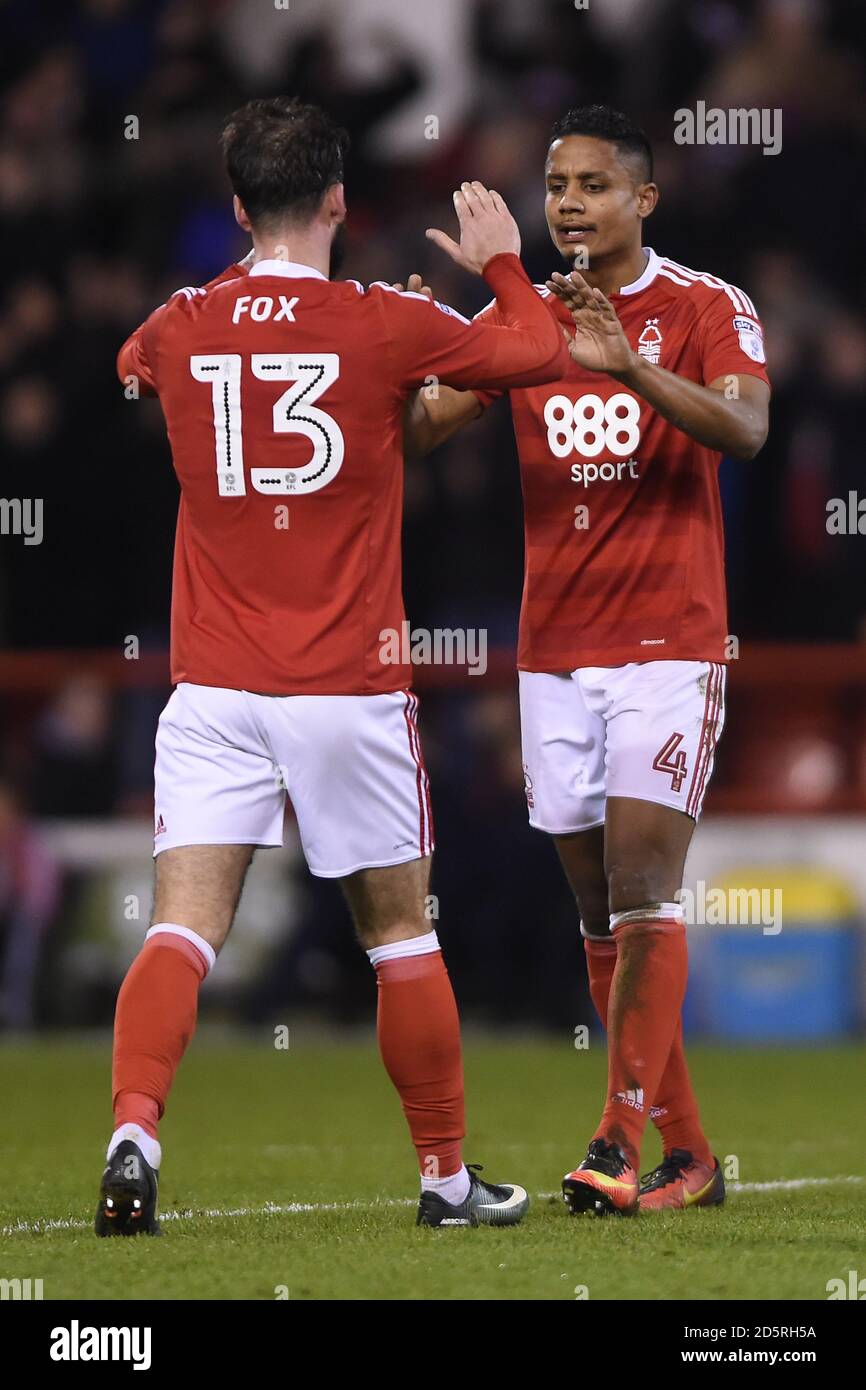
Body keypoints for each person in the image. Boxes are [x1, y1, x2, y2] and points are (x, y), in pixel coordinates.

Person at [98, 96, 570, 1236]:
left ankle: (133, 1128)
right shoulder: (377, 324)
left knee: (181, 927)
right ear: (339, 203)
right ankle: (445, 1178)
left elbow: (133, 367)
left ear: (235, 206)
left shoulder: (177, 322)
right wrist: (504, 268)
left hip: (212, 686)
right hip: (345, 689)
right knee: (399, 931)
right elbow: (536, 352)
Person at [404, 105, 770, 1215]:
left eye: (592, 184)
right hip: (553, 648)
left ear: (643, 200)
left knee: (640, 885)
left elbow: (744, 429)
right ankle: (689, 1155)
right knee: (595, 914)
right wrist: (415, 344)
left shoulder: (705, 305)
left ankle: (616, 1135)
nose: (566, 202)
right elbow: (424, 428)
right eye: (555, 183)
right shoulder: (525, 317)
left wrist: (629, 370)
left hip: (668, 639)